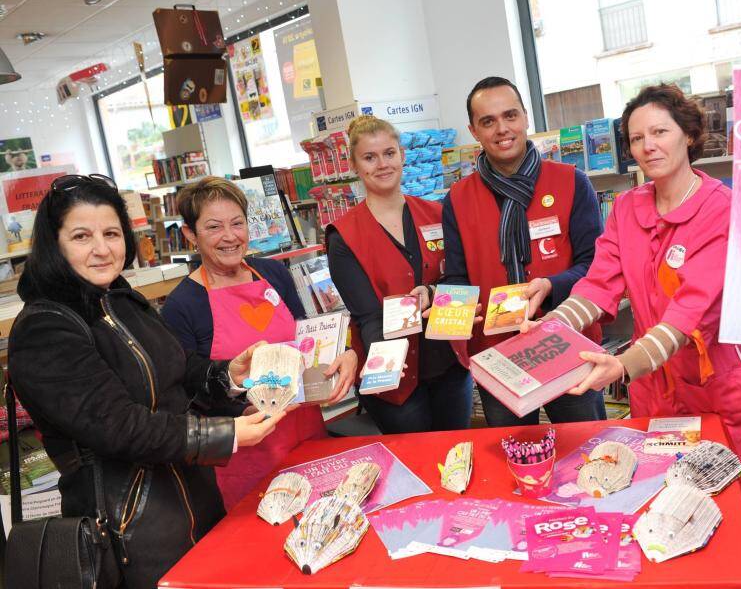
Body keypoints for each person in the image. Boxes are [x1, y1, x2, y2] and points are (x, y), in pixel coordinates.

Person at [534, 84, 741, 559]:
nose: (647, 146)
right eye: (636, 138)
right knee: (662, 504)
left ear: (689, 135)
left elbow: (687, 313)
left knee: (737, 502)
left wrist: (623, 365)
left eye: (659, 132)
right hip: (653, 382)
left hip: (716, 379)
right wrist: (549, 332)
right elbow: (598, 283)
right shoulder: (629, 208)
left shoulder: (723, 207)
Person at [7, 174, 286, 588]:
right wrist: (225, 434)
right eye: (82, 236)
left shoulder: (121, 299)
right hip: (131, 528)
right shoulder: (45, 328)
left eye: (112, 233)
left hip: (195, 500)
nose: (103, 249)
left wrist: (227, 373)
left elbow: (177, 368)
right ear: (55, 243)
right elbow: (118, 426)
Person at [161, 176, 358, 508]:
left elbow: (308, 336)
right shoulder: (182, 305)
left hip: (304, 432)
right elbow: (186, 391)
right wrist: (242, 406)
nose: (229, 236)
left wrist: (345, 353)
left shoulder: (273, 274)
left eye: (237, 223)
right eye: (213, 227)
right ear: (190, 234)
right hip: (245, 453)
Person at [441, 75, 605, 427]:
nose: (502, 129)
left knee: (587, 447)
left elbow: (596, 266)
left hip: (567, 344)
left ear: (526, 117)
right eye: (488, 121)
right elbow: (456, 276)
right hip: (497, 353)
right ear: (473, 131)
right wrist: (456, 313)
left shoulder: (571, 182)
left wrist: (551, 285)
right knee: (516, 456)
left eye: (510, 115)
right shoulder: (457, 199)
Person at [327, 115, 473, 434]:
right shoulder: (343, 236)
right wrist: (385, 364)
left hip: (450, 366)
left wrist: (434, 294)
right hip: (394, 381)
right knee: (417, 468)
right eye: (370, 157)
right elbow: (368, 316)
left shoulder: (437, 213)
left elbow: (460, 279)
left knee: (460, 458)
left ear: (402, 156)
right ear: (354, 165)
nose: (382, 164)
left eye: (389, 153)